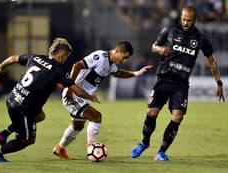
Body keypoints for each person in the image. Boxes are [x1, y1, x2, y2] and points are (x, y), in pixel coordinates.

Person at [131, 6, 225, 161]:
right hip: (163, 79)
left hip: (180, 83)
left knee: (178, 117)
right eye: (183, 19)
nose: (186, 23)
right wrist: (159, 50)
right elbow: (154, 46)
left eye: (189, 20)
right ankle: (144, 142)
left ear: (195, 20)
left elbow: (211, 61)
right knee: (151, 113)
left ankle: (161, 152)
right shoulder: (169, 31)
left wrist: (219, 83)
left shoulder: (201, 38)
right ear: (181, 17)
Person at [0, 37, 100, 163]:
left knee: (40, 116)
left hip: (12, 98)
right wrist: (90, 97)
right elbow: (76, 90)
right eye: (66, 57)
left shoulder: (35, 58)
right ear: (62, 56)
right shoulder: (57, 71)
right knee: (27, 140)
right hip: (23, 109)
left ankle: (4, 133)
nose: (65, 60)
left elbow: (14, 58)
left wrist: (1, 65)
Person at [52, 41, 153, 160]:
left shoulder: (111, 65)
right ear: (118, 51)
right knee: (96, 117)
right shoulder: (100, 56)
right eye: (124, 57)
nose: (124, 61)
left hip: (83, 97)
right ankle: (91, 148)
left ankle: (59, 149)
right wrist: (69, 89)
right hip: (74, 94)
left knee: (77, 126)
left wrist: (137, 73)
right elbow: (77, 65)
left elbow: (119, 73)